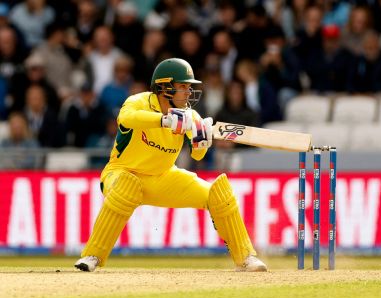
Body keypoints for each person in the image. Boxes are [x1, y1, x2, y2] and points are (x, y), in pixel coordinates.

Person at [74, 58, 267, 272]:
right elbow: (126, 119)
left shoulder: (190, 115)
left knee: (218, 194)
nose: (188, 92)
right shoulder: (138, 101)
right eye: (183, 86)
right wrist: (164, 120)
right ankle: (92, 256)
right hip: (121, 173)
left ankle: (246, 258)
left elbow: (197, 155)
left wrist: (201, 140)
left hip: (162, 178)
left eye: (189, 87)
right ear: (165, 87)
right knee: (126, 188)